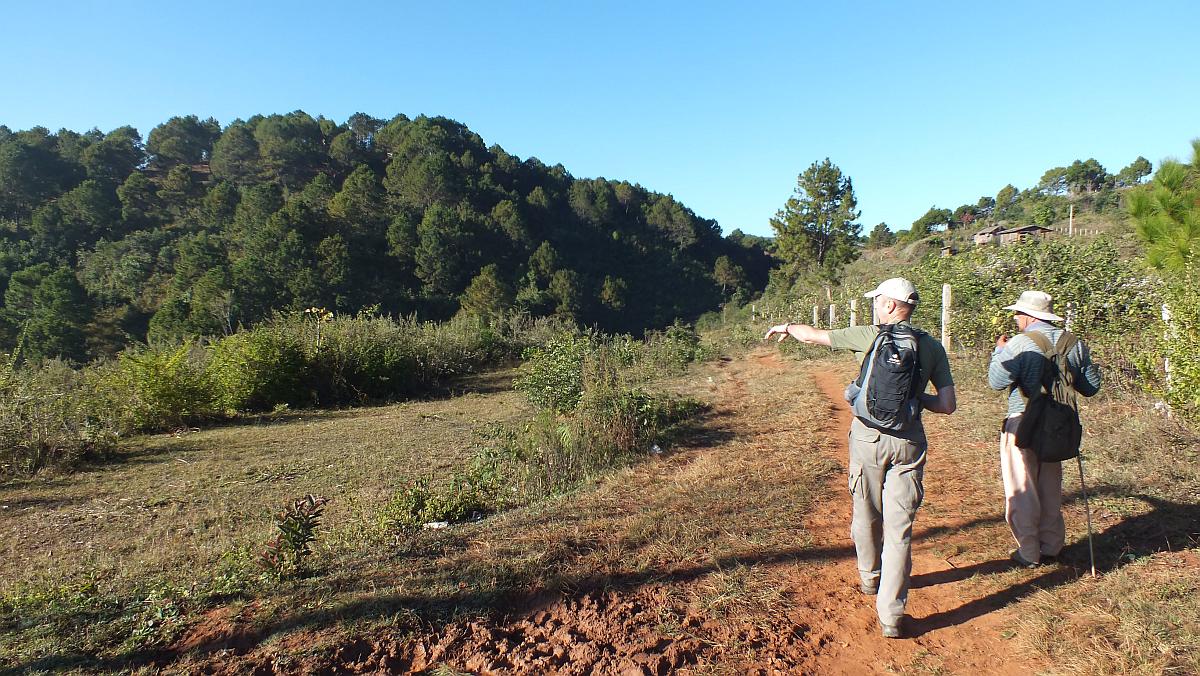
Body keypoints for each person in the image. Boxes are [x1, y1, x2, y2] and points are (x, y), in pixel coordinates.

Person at [765, 278, 956, 639]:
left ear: (889, 306)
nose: (874, 306)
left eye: (877, 301)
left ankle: (870, 578)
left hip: (867, 439)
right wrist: (913, 401)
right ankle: (892, 616)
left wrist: (787, 327)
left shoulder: (869, 336)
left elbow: (813, 336)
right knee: (899, 529)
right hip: (909, 443)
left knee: (866, 511)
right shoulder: (931, 347)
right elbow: (947, 405)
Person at [988, 290, 1101, 568]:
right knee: (1050, 484)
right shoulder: (1073, 343)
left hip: (1022, 422)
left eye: (1017, 314)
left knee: (1023, 486)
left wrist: (999, 352)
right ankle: (1051, 544)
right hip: (1059, 424)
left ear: (1028, 316)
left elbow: (997, 381)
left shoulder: (1018, 344)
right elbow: (1091, 387)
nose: (1015, 319)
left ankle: (1029, 552)